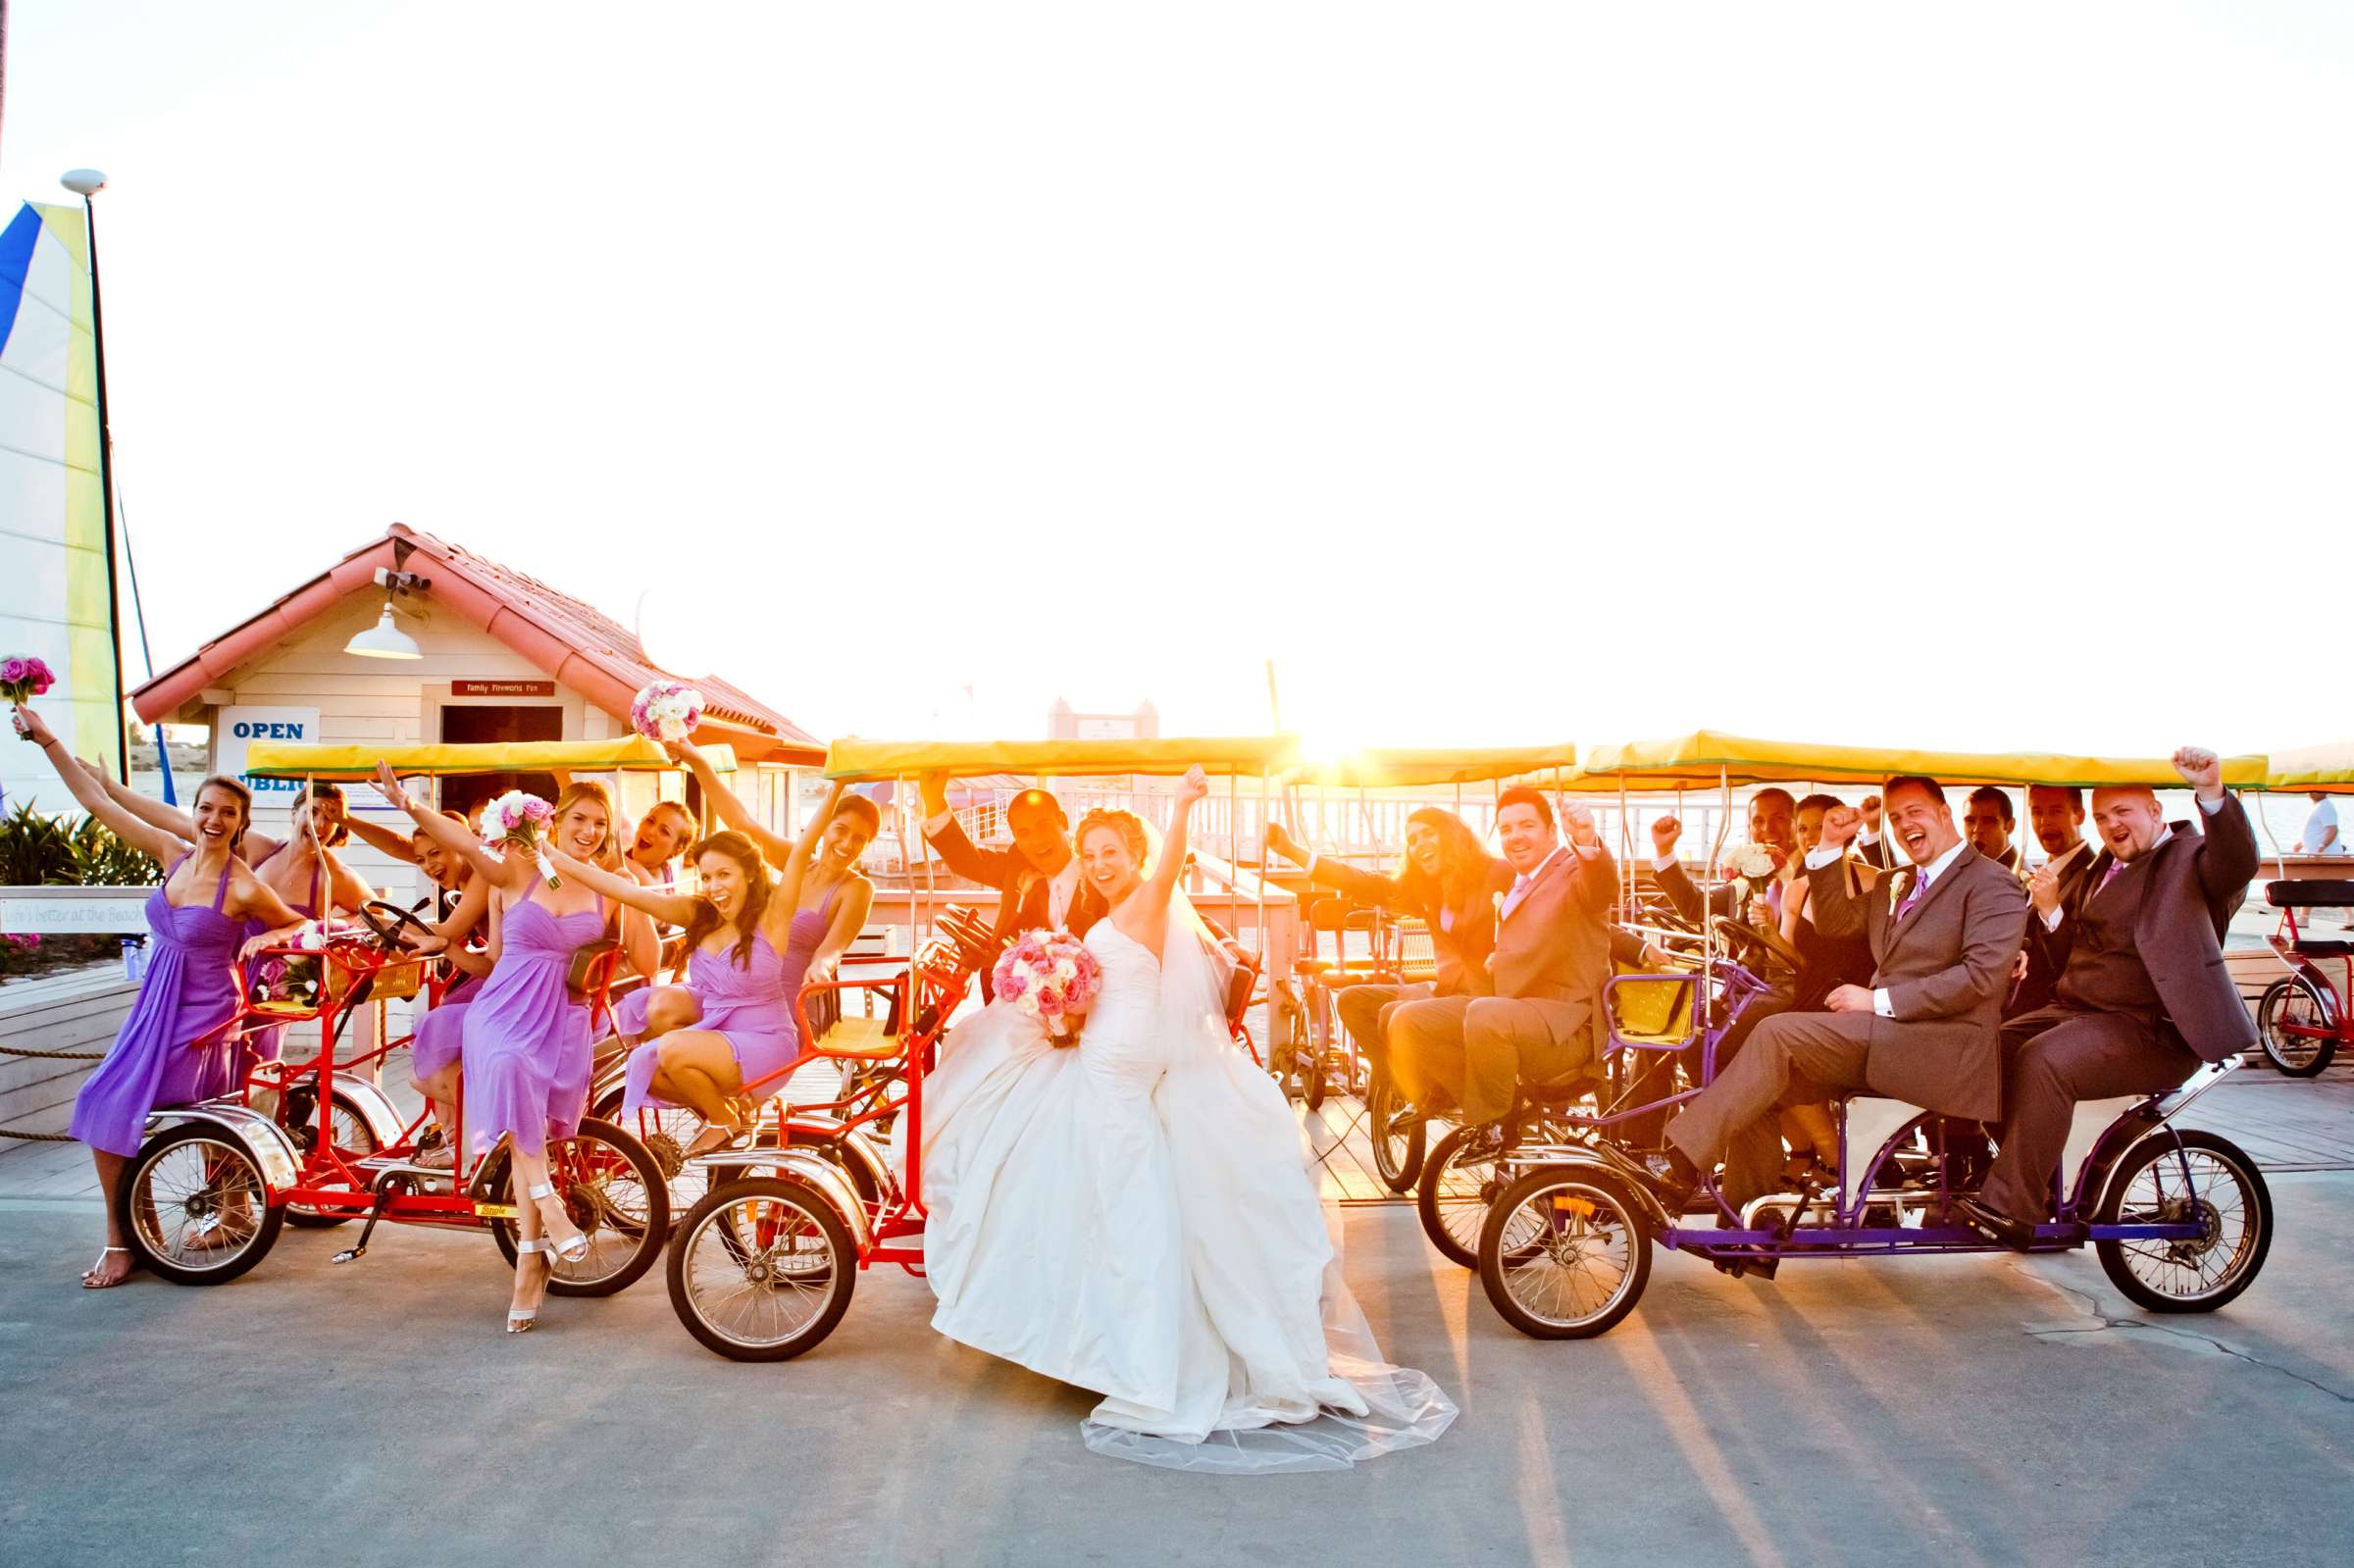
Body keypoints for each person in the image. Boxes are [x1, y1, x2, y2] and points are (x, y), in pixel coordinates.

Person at [916, 765, 1454, 1469]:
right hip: (1103, 1057)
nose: (1101, 863)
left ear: (1135, 854)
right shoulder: (1120, 916)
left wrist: (1181, 806)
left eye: (1113, 850)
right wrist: (1062, 1004)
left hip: (1118, 1072)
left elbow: (1169, 864)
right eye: (1093, 852)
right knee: (1106, 1198)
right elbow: (1117, 991)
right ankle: (1109, 1338)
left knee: (1122, 1205)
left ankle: (1144, 1363)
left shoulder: (1145, 899)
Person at [1634, 776, 2029, 1220]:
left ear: (1944, 813)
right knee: (1752, 1077)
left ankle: (1680, 1165)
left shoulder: (1992, 883)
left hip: (1941, 1048)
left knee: (1776, 1033)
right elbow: (1836, 923)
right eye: (1896, 818)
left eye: (1914, 812)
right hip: (1887, 1038)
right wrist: (1827, 847)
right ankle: (1746, 1225)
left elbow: (1979, 979)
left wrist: (1877, 1001)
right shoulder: (1896, 881)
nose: (1904, 825)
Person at [18, 707, 308, 1288]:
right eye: (206, 808)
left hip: (206, 1012)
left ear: (242, 822)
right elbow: (98, 804)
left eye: (229, 813)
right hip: (155, 1004)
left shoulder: (245, 885)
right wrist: (48, 738)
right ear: (195, 813)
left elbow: (299, 928)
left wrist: (266, 941)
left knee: (158, 1111)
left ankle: (206, 1217)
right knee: (104, 1105)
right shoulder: (169, 855)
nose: (214, 819)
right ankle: (125, 1235)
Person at [371, 764, 656, 1332]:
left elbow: (649, 965)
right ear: (555, 818)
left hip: (565, 1016)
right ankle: (548, 1206)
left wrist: (634, 887)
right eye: (580, 818)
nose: (590, 830)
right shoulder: (515, 871)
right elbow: (464, 846)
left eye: (601, 823)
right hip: (501, 1008)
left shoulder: (608, 884)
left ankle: (532, 1256)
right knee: (507, 1063)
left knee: (530, 1116)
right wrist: (408, 804)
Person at [1960, 749, 2260, 1245]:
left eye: (2123, 812)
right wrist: (2052, 910)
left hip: (2151, 1030)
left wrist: (2211, 791)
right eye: (2101, 816)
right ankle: (2020, 1170)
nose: (2111, 825)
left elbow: (2237, 862)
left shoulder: (2189, 858)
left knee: (2044, 1061)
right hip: (2078, 1014)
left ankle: (2012, 1206)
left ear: (2155, 812)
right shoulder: (2103, 866)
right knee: (1981, 1049)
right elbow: (2072, 954)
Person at [554, 810, 833, 1154]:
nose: (715, 887)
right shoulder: (700, 913)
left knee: (669, 1049)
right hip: (719, 1024)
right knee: (645, 1064)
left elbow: (803, 850)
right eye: (707, 877)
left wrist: (837, 787)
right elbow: (628, 893)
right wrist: (557, 858)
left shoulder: (772, 917)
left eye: (724, 875)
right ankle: (726, 1106)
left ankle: (723, 1119)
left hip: (766, 1041)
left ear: (748, 875)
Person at [1386, 786, 1616, 1132]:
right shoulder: (1520, 881)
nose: (1515, 837)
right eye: (1506, 829)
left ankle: (1494, 1123)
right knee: (1407, 1020)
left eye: (1527, 826)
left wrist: (1586, 840)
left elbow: (1600, 890)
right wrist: (1501, 959)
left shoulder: (1570, 870)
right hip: (1517, 1010)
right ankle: (1480, 1099)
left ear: (1552, 832)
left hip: (1566, 1029)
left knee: (1484, 1013)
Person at [1261, 810, 1509, 1080]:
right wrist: (1291, 851)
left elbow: (1539, 905)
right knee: (1352, 1000)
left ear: (1453, 835)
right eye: (1412, 840)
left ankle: (1438, 1087)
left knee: (1402, 1017)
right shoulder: (1425, 889)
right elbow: (1359, 881)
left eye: (1428, 833)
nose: (1419, 844)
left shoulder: (1496, 873)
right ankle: (1398, 1081)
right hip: (1445, 993)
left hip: (1486, 999)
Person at [917, 770, 1107, 996]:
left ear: (1063, 821)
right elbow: (965, 861)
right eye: (1024, 833)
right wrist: (934, 801)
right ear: (1015, 837)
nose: (1037, 840)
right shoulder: (1016, 867)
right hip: (1012, 998)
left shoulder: (1099, 878)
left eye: (1044, 825)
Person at [2008, 785, 2101, 1018]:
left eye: (2056, 811)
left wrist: (2051, 910)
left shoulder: (2093, 875)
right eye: (2037, 812)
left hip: (2047, 1008)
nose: (2044, 822)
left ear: (2078, 815)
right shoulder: (2032, 874)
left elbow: (2080, 956)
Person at [1650, 788, 1799, 926]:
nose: (1767, 828)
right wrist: (1664, 850)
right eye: (1758, 821)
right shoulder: (1744, 883)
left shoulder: (1810, 882)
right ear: (1749, 829)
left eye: (1779, 818)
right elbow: (1695, 906)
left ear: (1797, 825)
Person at [624, 800, 696, 885]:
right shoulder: (619, 857)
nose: (650, 831)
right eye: (650, 821)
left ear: (677, 850)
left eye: (665, 831)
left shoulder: (659, 874)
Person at [1963, 786, 2021, 874]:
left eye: (1988, 821)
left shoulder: (2022, 880)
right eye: (1970, 821)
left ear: (2010, 826)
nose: (1977, 829)